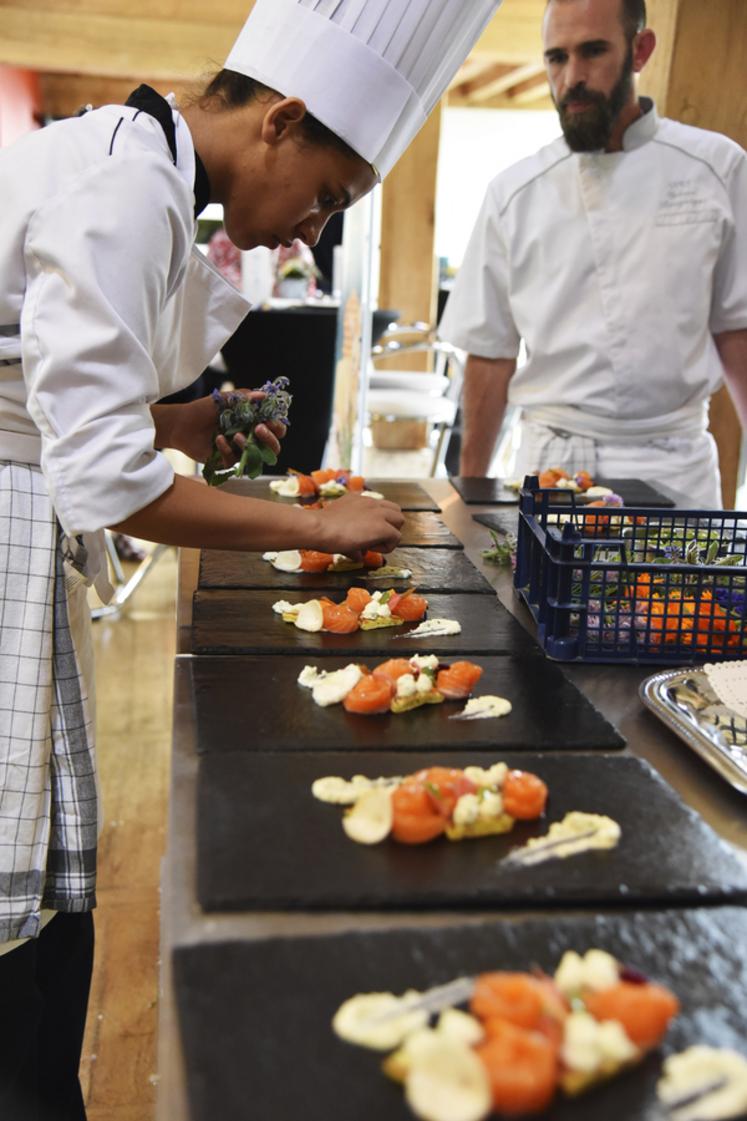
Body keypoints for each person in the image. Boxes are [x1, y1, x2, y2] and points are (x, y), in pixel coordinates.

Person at [0, 0, 503, 1116]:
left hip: (23, 513)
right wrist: (317, 524)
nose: (314, 232)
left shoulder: (148, 168)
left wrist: (205, 429)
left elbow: (74, 394)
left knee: (40, 894)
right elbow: (106, 483)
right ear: (280, 120)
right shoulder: (129, 188)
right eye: (328, 196)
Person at [439, 0, 747, 508]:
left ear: (640, 50)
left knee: (683, 593)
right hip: (553, 463)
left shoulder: (718, 169)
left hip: (675, 462)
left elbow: (737, 330)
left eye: (593, 52)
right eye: (556, 58)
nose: (572, 77)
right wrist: (471, 496)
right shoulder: (513, 193)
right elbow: (490, 354)